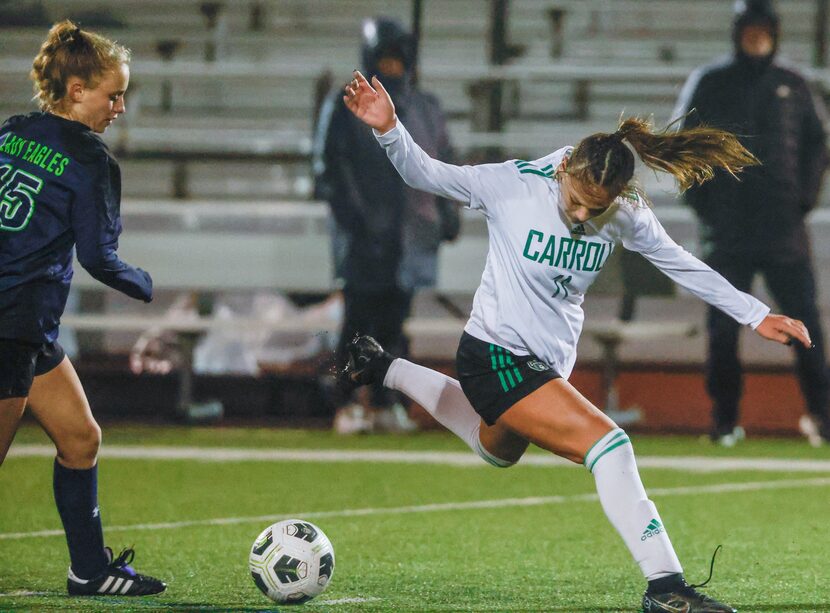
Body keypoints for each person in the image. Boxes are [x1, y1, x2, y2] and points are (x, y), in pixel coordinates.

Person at [339, 69, 812, 612]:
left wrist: (755, 315)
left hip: (545, 364)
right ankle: (667, 589)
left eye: (598, 207)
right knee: (611, 447)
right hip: (494, 354)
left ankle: (385, 368)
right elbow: (426, 172)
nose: (584, 215)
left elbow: (680, 263)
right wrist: (390, 128)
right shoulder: (513, 185)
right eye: (578, 201)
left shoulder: (624, 212)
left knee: (498, 450)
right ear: (563, 169)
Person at [0, 21, 166, 596]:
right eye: (113, 94)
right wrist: (143, 283)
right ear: (76, 91)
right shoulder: (91, 160)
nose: (120, 106)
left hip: (26, 326)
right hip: (11, 322)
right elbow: (99, 256)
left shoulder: (13, 130)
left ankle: (90, 570)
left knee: (81, 439)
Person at [672, 0, 830, 447]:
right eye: (750, 28)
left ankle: (822, 417)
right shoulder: (709, 82)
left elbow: (819, 147)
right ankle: (724, 422)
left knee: (806, 329)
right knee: (723, 329)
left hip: (784, 233)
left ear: (775, 33)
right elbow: (680, 144)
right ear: (738, 32)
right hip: (727, 233)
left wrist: (801, 200)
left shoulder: (794, 84)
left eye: (765, 29)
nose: (757, 36)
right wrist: (705, 204)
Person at [313, 16, 459, 434]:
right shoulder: (345, 106)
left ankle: (382, 402)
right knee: (357, 323)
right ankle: (346, 402)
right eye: (386, 60)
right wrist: (356, 221)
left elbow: (444, 161)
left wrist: (447, 212)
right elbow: (329, 170)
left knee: (395, 326)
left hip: (409, 236)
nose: (393, 69)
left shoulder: (426, 108)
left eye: (398, 61)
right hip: (362, 238)